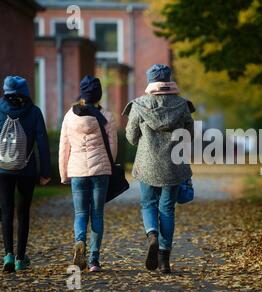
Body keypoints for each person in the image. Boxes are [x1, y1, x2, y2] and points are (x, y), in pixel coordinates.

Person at [123, 64, 194, 274]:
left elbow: (130, 135)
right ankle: (164, 260)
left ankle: (152, 234)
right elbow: (189, 134)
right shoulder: (181, 105)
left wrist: (143, 143)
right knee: (167, 209)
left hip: (147, 164)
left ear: (150, 81)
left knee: (148, 204)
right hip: (173, 165)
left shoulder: (139, 105)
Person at [59, 76, 117, 272]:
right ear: (99, 95)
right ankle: (93, 260)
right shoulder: (106, 116)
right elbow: (113, 148)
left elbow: (63, 147)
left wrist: (63, 174)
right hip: (101, 172)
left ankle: (79, 242)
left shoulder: (70, 116)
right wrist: (109, 167)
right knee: (97, 214)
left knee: (80, 213)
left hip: (77, 171)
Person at [0, 76, 51, 273]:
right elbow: (43, 143)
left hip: (3, 170)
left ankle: (8, 256)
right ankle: (21, 258)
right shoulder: (34, 112)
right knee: (23, 213)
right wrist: (45, 172)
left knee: (6, 212)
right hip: (26, 170)